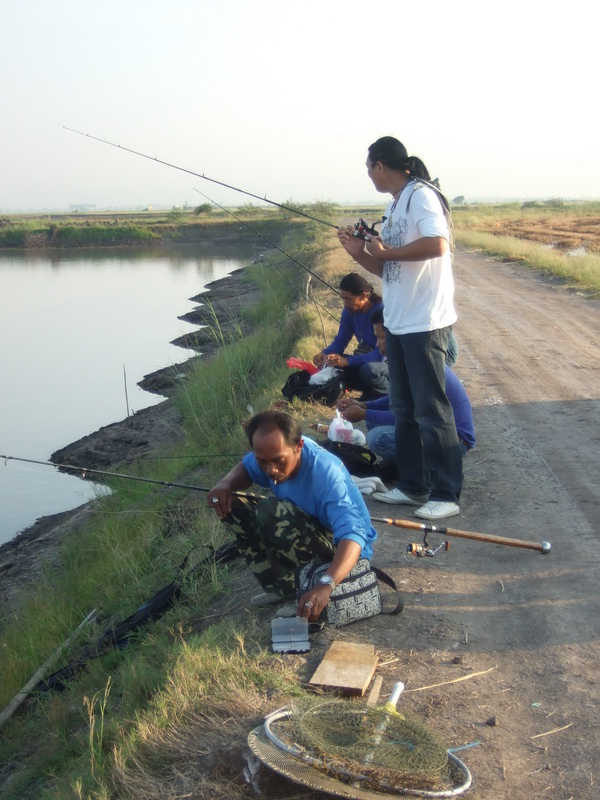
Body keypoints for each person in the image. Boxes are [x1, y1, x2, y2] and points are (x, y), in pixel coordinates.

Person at [337, 136, 463, 520]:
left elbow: (438, 244)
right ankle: (412, 486)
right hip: (397, 319)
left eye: (368, 166)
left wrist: (388, 251)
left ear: (379, 165)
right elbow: (389, 270)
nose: (368, 174)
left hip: (424, 321)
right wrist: (362, 255)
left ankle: (447, 493)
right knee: (404, 407)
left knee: (432, 410)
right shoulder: (393, 205)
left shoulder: (422, 196)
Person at [207, 410, 377, 621]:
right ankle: (278, 588)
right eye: (263, 462)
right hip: (309, 529)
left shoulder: (325, 473)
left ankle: (300, 591)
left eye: (278, 461)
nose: (271, 470)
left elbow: (353, 535)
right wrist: (224, 484)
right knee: (236, 506)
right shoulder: (272, 454)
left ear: (299, 446)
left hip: (345, 551)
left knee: (270, 510)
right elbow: (247, 468)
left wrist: (327, 584)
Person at [339, 309, 475, 471]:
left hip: (454, 441)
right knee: (372, 421)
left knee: (377, 438)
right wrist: (364, 406)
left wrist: (362, 413)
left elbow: (407, 416)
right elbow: (397, 399)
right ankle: (410, 467)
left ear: (397, 337)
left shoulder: (419, 365)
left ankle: (429, 471)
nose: (377, 344)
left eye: (381, 338)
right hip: (436, 433)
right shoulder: (408, 358)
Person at [313, 272, 388, 399]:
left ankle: (388, 394)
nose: (345, 303)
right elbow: (341, 340)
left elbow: (381, 355)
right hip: (365, 358)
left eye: (348, 299)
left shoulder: (380, 312)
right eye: (342, 298)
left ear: (363, 296)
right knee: (332, 363)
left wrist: (347, 361)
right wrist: (324, 354)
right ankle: (370, 391)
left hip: (386, 363)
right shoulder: (349, 312)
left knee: (368, 371)